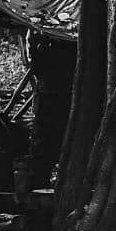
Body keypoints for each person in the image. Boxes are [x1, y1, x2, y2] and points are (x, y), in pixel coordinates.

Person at [22, 30, 77, 191]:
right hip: (50, 96)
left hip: (64, 95)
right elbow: (36, 64)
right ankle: (37, 192)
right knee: (43, 149)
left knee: (51, 146)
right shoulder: (40, 32)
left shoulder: (69, 34)